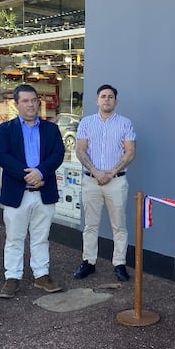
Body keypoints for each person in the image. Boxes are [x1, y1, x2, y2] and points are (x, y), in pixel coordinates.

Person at [0, 84, 66, 297]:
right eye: (25, 101)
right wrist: (28, 175)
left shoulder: (50, 129)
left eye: (34, 100)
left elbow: (58, 154)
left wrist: (41, 172)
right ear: (16, 105)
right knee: (14, 237)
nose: (31, 104)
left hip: (44, 192)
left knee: (41, 237)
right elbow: (2, 155)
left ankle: (41, 275)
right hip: (17, 193)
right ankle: (12, 277)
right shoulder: (5, 129)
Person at [72, 84, 136, 282]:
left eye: (110, 97)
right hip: (91, 181)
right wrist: (96, 172)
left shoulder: (125, 123)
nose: (106, 99)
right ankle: (88, 262)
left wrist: (110, 173)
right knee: (90, 225)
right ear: (96, 100)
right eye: (103, 96)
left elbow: (130, 152)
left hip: (116, 181)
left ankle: (119, 264)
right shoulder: (86, 123)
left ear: (115, 101)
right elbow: (80, 150)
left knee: (119, 226)